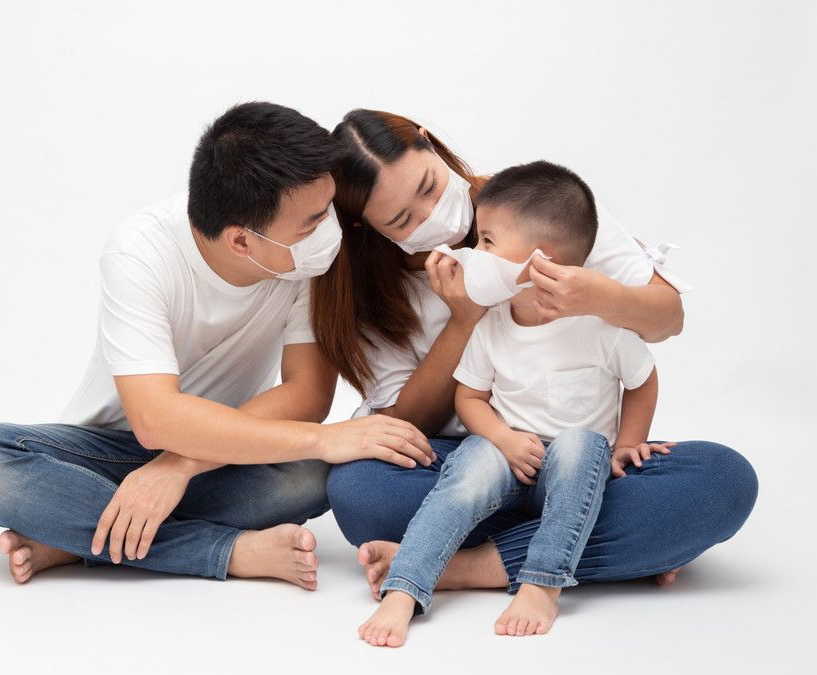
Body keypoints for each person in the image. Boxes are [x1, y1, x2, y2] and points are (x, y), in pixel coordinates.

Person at [0, 102, 434, 590]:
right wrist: (324, 438)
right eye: (313, 220)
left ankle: (77, 537)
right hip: (108, 450)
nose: (331, 227)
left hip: (228, 448)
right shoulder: (139, 252)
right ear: (242, 241)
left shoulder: (305, 258)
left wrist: (178, 467)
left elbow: (307, 394)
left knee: (311, 475)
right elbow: (154, 419)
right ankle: (227, 551)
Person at [311, 109, 757, 608]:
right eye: (402, 220)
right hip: (469, 461)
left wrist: (598, 296)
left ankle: (458, 564)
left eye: (430, 187)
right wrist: (464, 321)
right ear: (364, 225)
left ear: (429, 142)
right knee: (360, 490)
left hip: (579, 455)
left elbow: (668, 318)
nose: (432, 214)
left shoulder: (535, 207)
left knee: (722, 480)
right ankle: (611, 543)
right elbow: (407, 427)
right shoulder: (367, 290)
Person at [360, 160, 670, 647]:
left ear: (542, 260)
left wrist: (628, 444)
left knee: (588, 449)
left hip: (577, 468)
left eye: (487, 241)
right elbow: (470, 398)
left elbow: (643, 381)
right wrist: (502, 438)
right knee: (452, 479)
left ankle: (541, 584)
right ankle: (405, 586)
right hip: (505, 453)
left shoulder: (600, 326)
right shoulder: (491, 324)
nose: (475, 252)